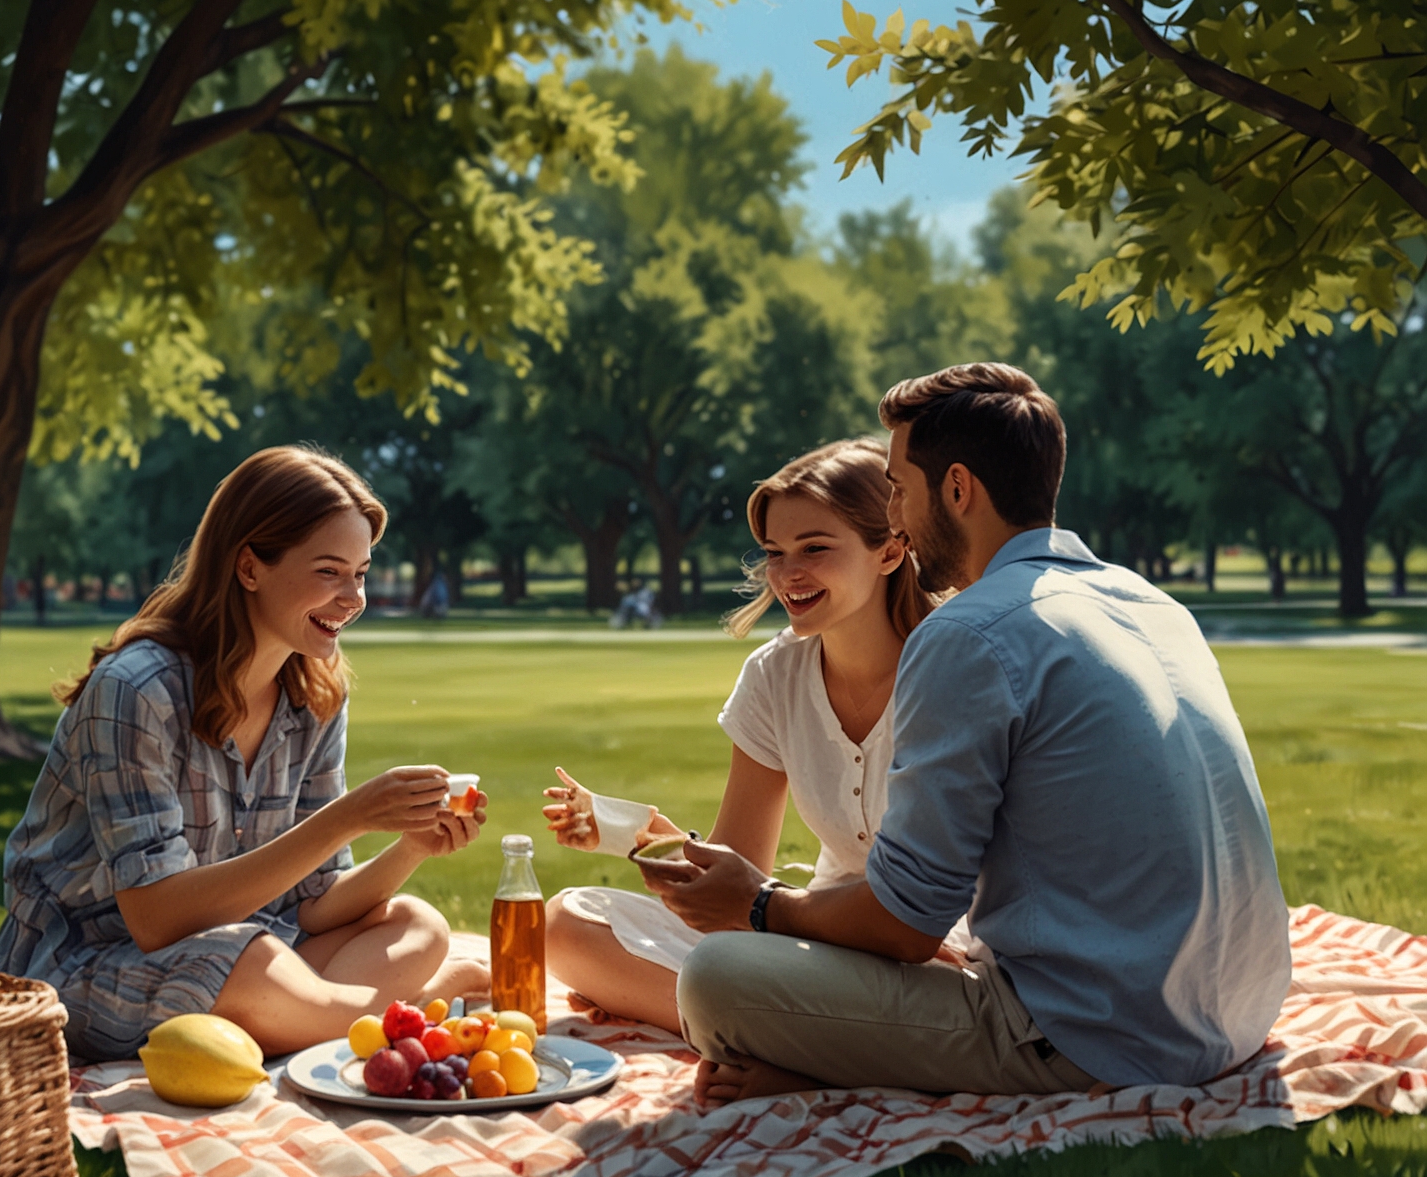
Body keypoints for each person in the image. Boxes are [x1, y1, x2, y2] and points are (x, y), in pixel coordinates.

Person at [657, 364, 1292, 1105]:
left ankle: (836, 1075)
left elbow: (906, 927)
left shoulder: (971, 632)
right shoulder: (1148, 603)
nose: (892, 515)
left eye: (898, 487)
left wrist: (760, 904)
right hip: (1234, 1014)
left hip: (1095, 1039)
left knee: (715, 979)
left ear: (957, 489)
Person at [0, 447, 490, 1062]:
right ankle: (415, 1012)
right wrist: (351, 815)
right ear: (249, 567)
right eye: (329, 572)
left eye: (359, 573)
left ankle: (312, 1020)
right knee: (253, 964)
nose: (353, 597)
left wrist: (411, 845)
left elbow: (316, 904)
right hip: (91, 966)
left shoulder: (315, 695)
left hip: (251, 947)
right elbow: (157, 919)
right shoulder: (137, 691)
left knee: (416, 925)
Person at [540, 439, 937, 1032]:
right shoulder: (775, 675)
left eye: (815, 548)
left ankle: (761, 1032)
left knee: (731, 977)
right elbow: (738, 878)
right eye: (775, 552)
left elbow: (933, 910)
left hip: (936, 948)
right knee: (566, 923)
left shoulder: (951, 671)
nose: (787, 574)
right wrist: (634, 833)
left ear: (890, 551)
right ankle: (774, 1030)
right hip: (815, 937)